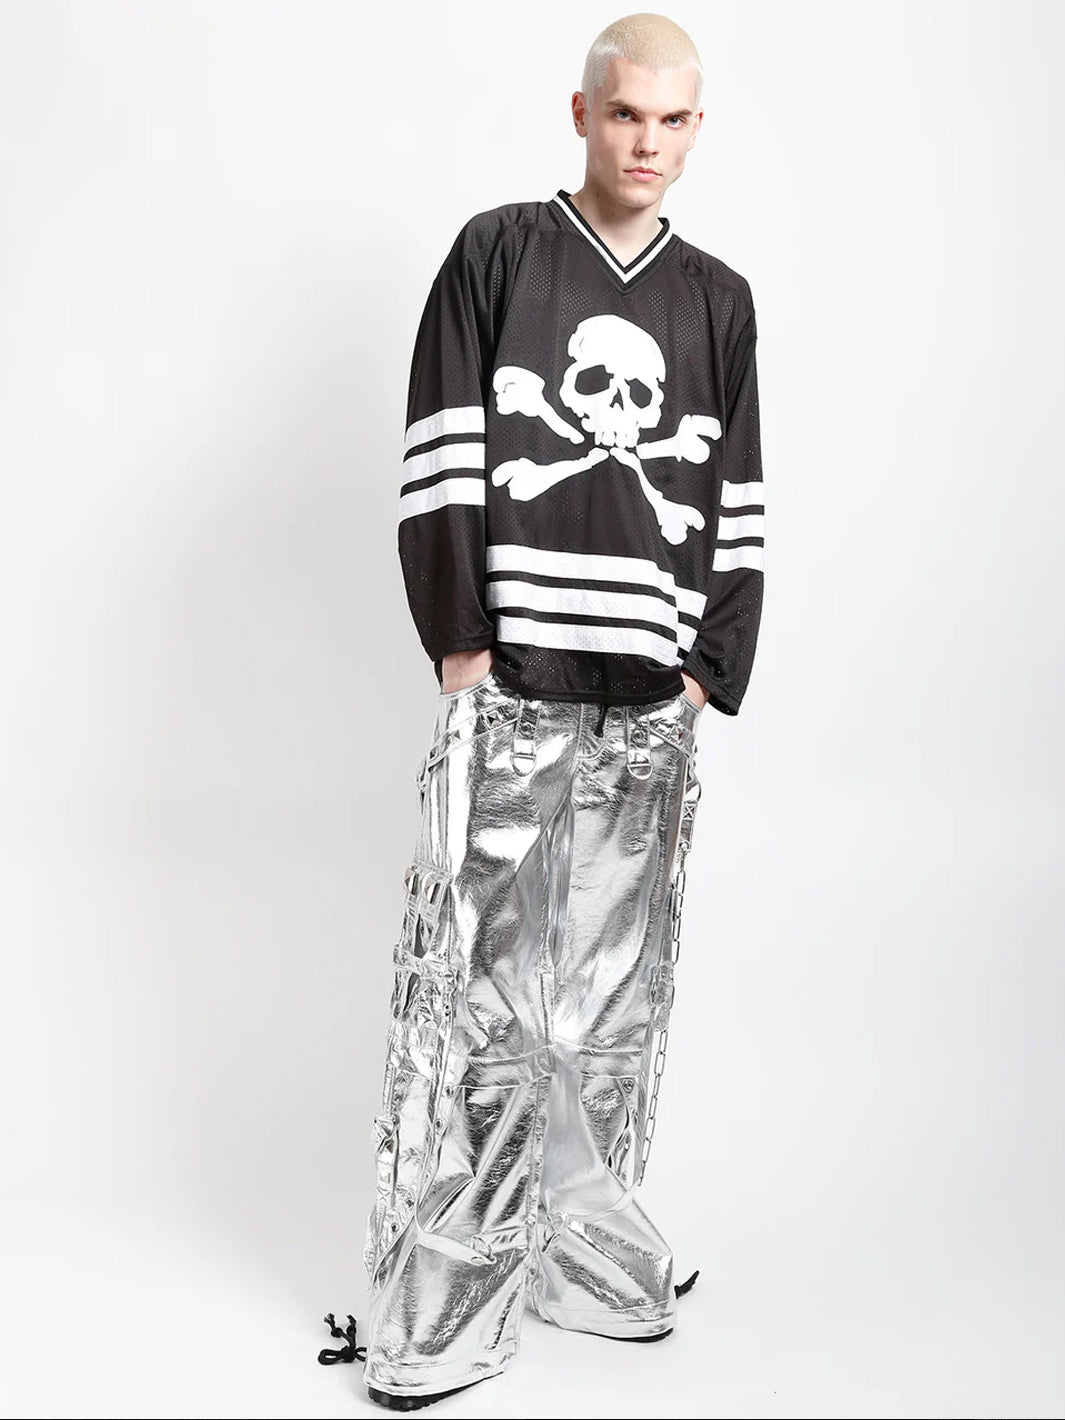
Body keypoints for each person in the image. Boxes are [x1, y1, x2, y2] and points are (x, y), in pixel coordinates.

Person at [360, 11, 764, 1410]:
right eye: (624, 114)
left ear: (696, 129)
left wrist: (706, 666)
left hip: (647, 701)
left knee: (603, 1008)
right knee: (482, 1003)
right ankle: (444, 1308)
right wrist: (461, 645)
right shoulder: (499, 255)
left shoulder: (717, 300)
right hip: (517, 688)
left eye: (672, 119)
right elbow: (442, 448)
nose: (646, 142)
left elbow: (735, 494)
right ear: (581, 113)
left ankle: (584, 1256)